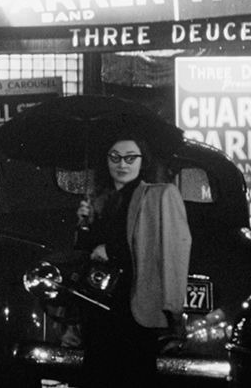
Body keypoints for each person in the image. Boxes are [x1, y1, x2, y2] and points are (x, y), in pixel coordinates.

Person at [74, 132, 191, 387]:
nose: (122, 164)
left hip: (134, 304)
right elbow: (84, 250)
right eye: (115, 157)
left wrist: (111, 250)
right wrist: (84, 224)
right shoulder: (99, 200)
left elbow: (160, 247)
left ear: (142, 161)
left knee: (134, 374)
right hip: (100, 306)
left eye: (130, 158)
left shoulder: (156, 196)